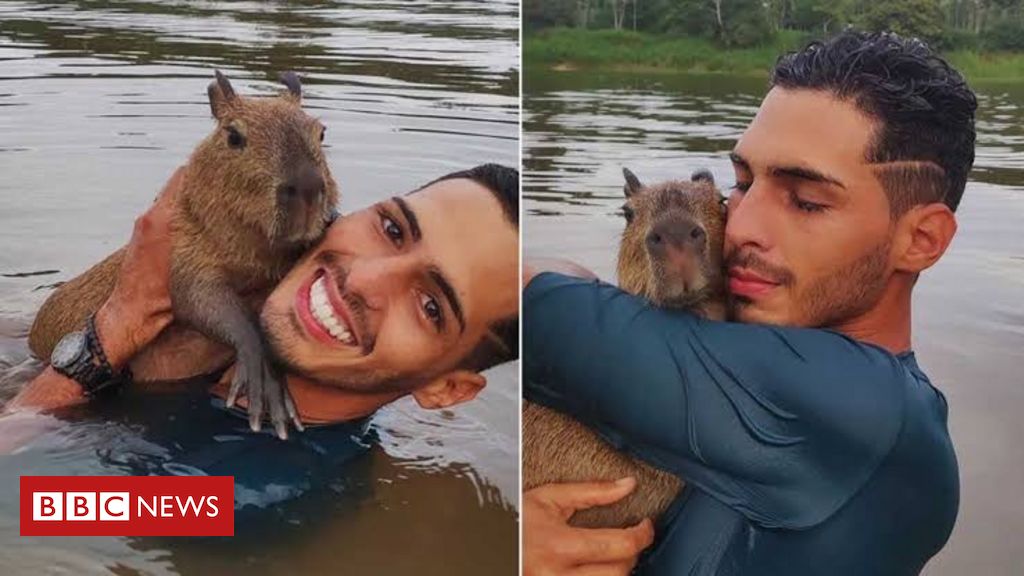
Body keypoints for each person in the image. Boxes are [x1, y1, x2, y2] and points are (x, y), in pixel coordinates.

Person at [523, 31, 975, 575]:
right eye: (739, 187)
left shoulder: (869, 411)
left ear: (921, 240)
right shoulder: (739, 377)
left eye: (806, 202)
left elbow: (528, 299)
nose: (742, 227)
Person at [6, 163, 519, 510]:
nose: (361, 281)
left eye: (430, 306)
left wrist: (118, 325)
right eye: (391, 230)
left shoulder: (251, 493)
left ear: (447, 389)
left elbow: (28, 507)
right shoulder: (250, 305)